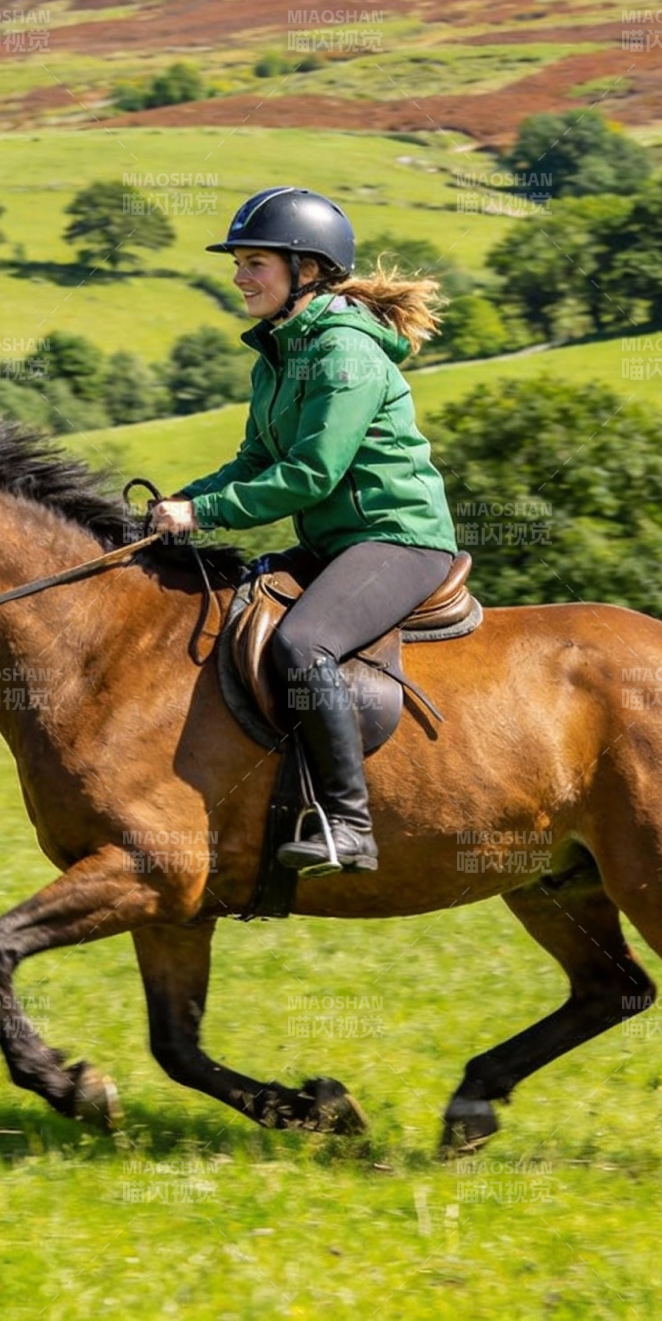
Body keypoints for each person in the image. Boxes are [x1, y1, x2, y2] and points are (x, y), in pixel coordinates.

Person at [148, 186, 457, 877]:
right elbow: (256, 461)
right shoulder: (279, 354)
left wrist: (204, 516)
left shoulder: (343, 351)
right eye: (238, 263)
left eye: (255, 262)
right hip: (335, 545)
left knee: (301, 640)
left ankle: (349, 825)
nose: (240, 277)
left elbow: (312, 474)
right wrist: (179, 500)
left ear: (306, 270)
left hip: (396, 539)